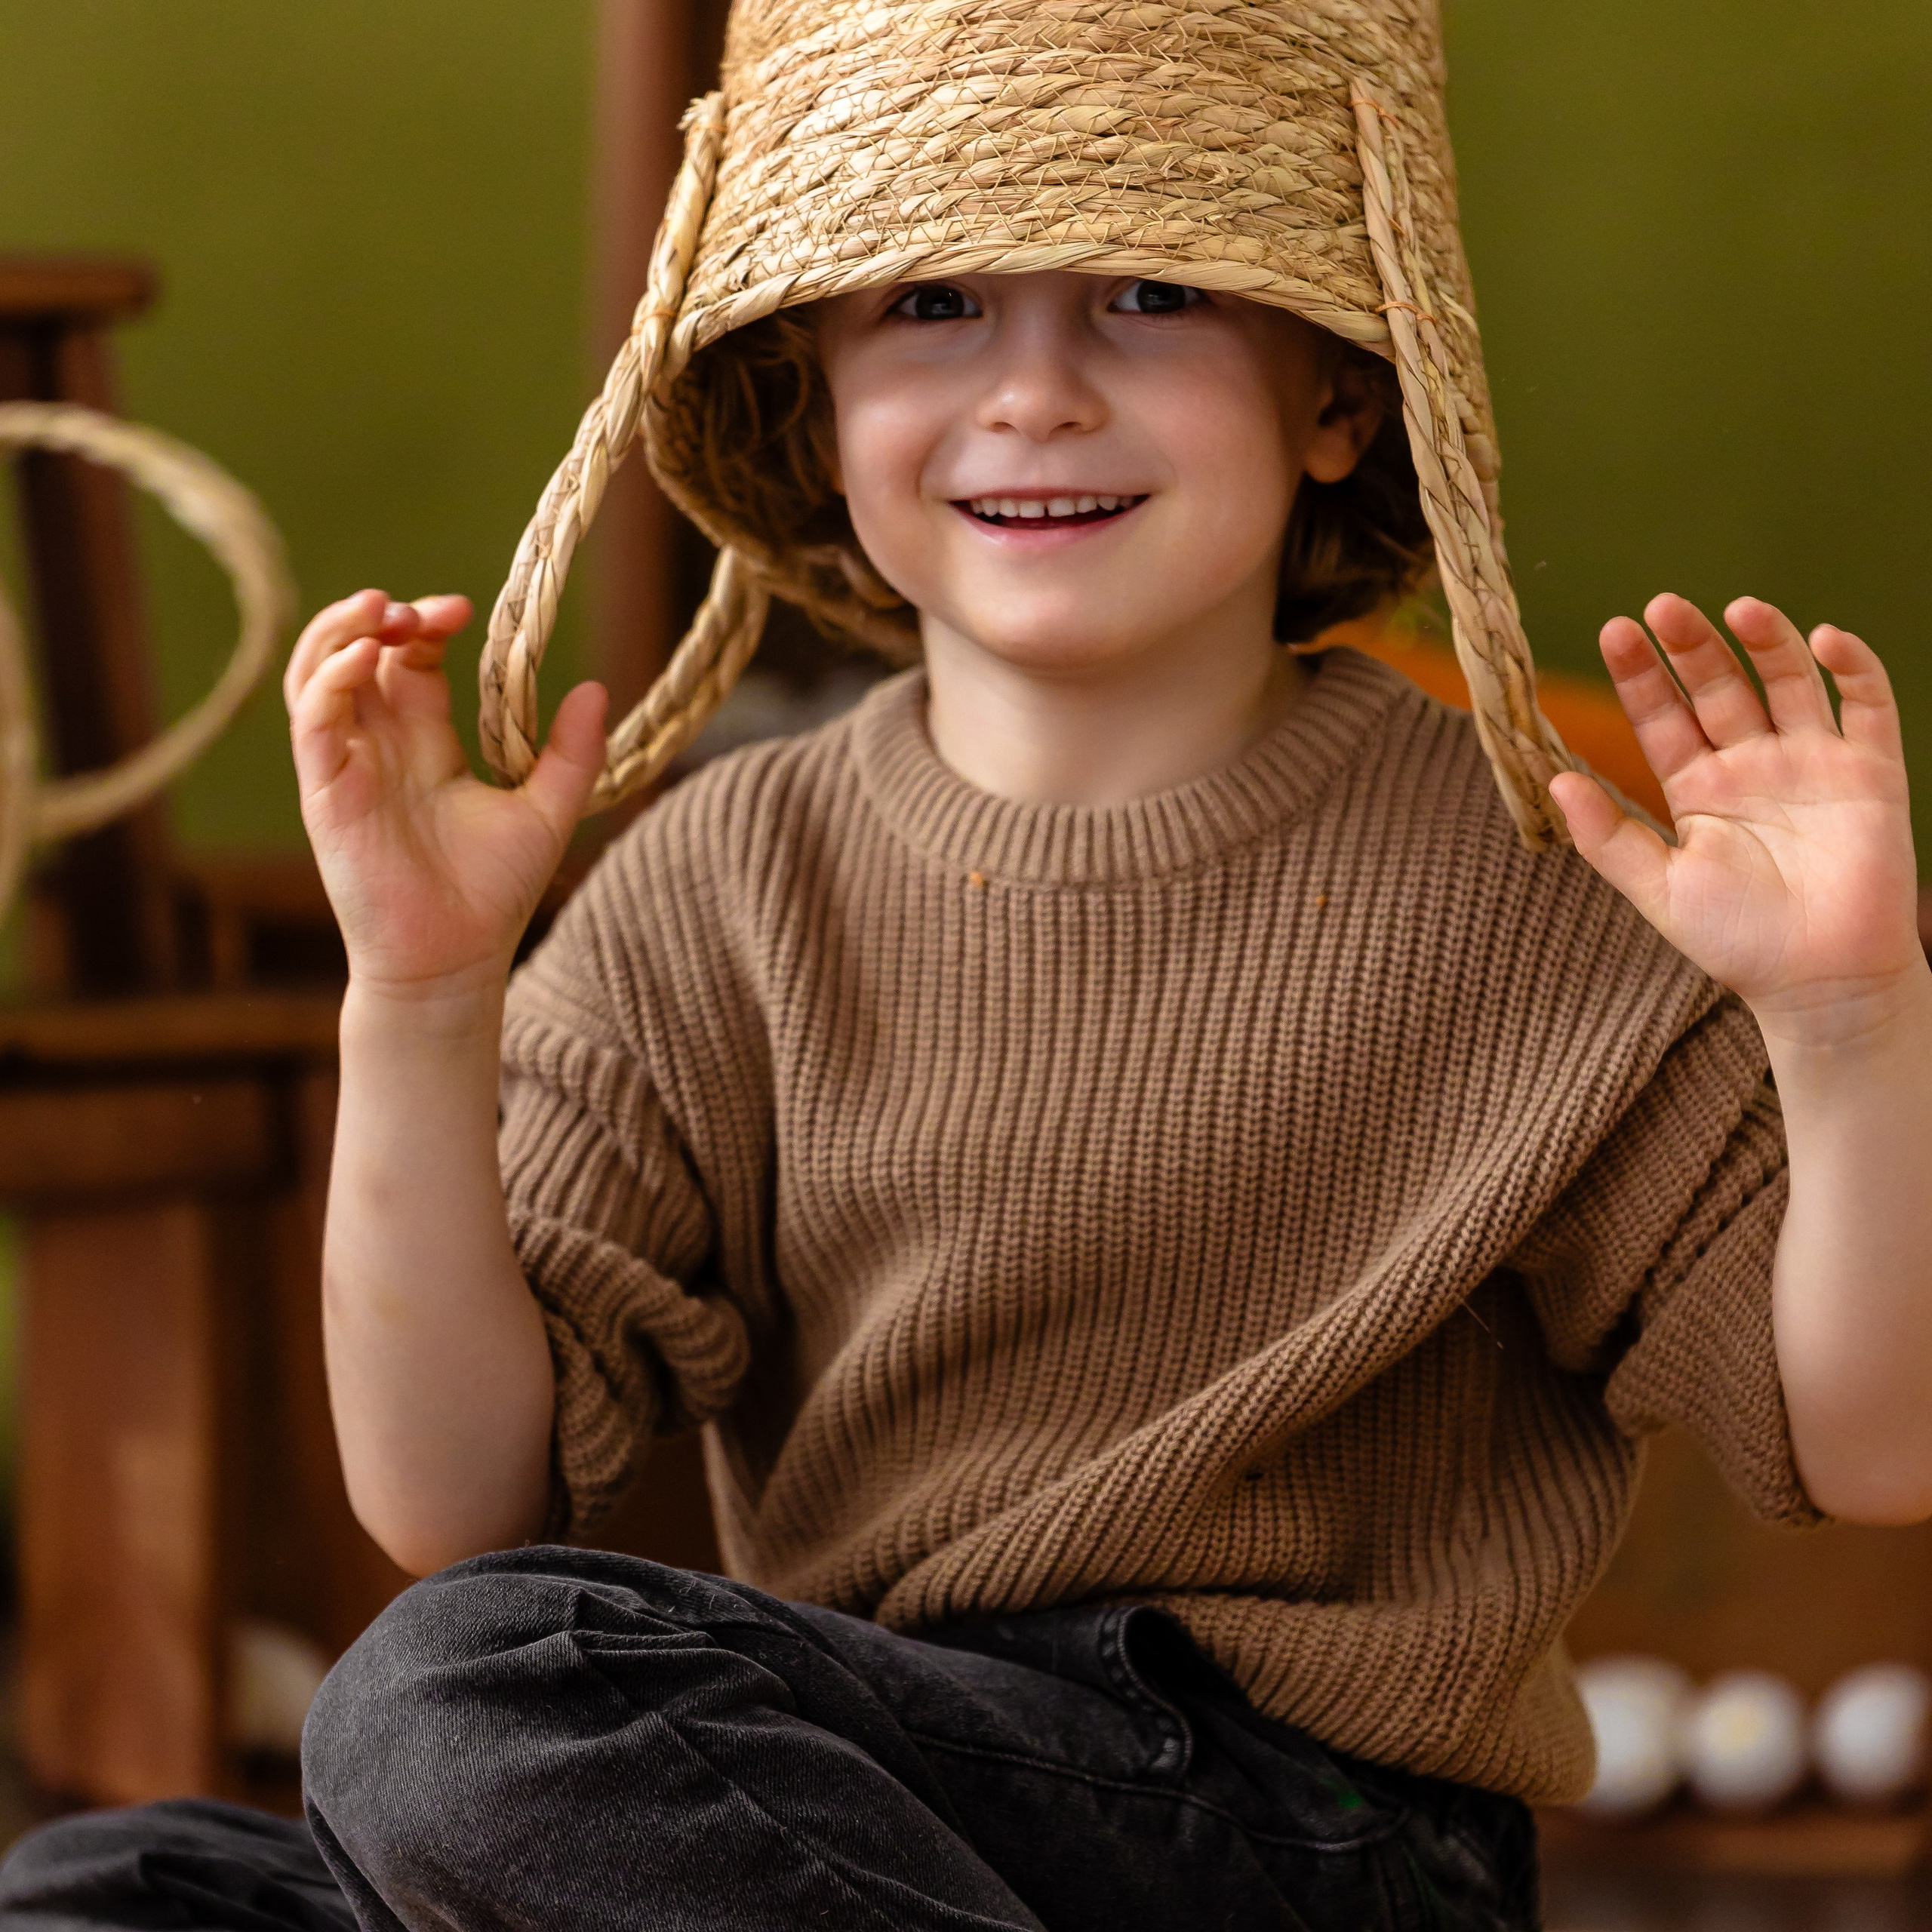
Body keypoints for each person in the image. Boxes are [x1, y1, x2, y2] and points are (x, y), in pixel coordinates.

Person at [7, 8, 1932, 1930]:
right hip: (857, 1805)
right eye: (929, 302)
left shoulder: (1530, 878)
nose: (1035, 393)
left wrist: (1851, 1019)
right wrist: (422, 1000)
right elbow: (454, 1503)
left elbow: (1877, 1440)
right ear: (812, 395)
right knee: (103, 1888)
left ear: (1340, 393)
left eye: (1151, 291)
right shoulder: (721, 880)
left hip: (1317, 1836)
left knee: (447, 1705)